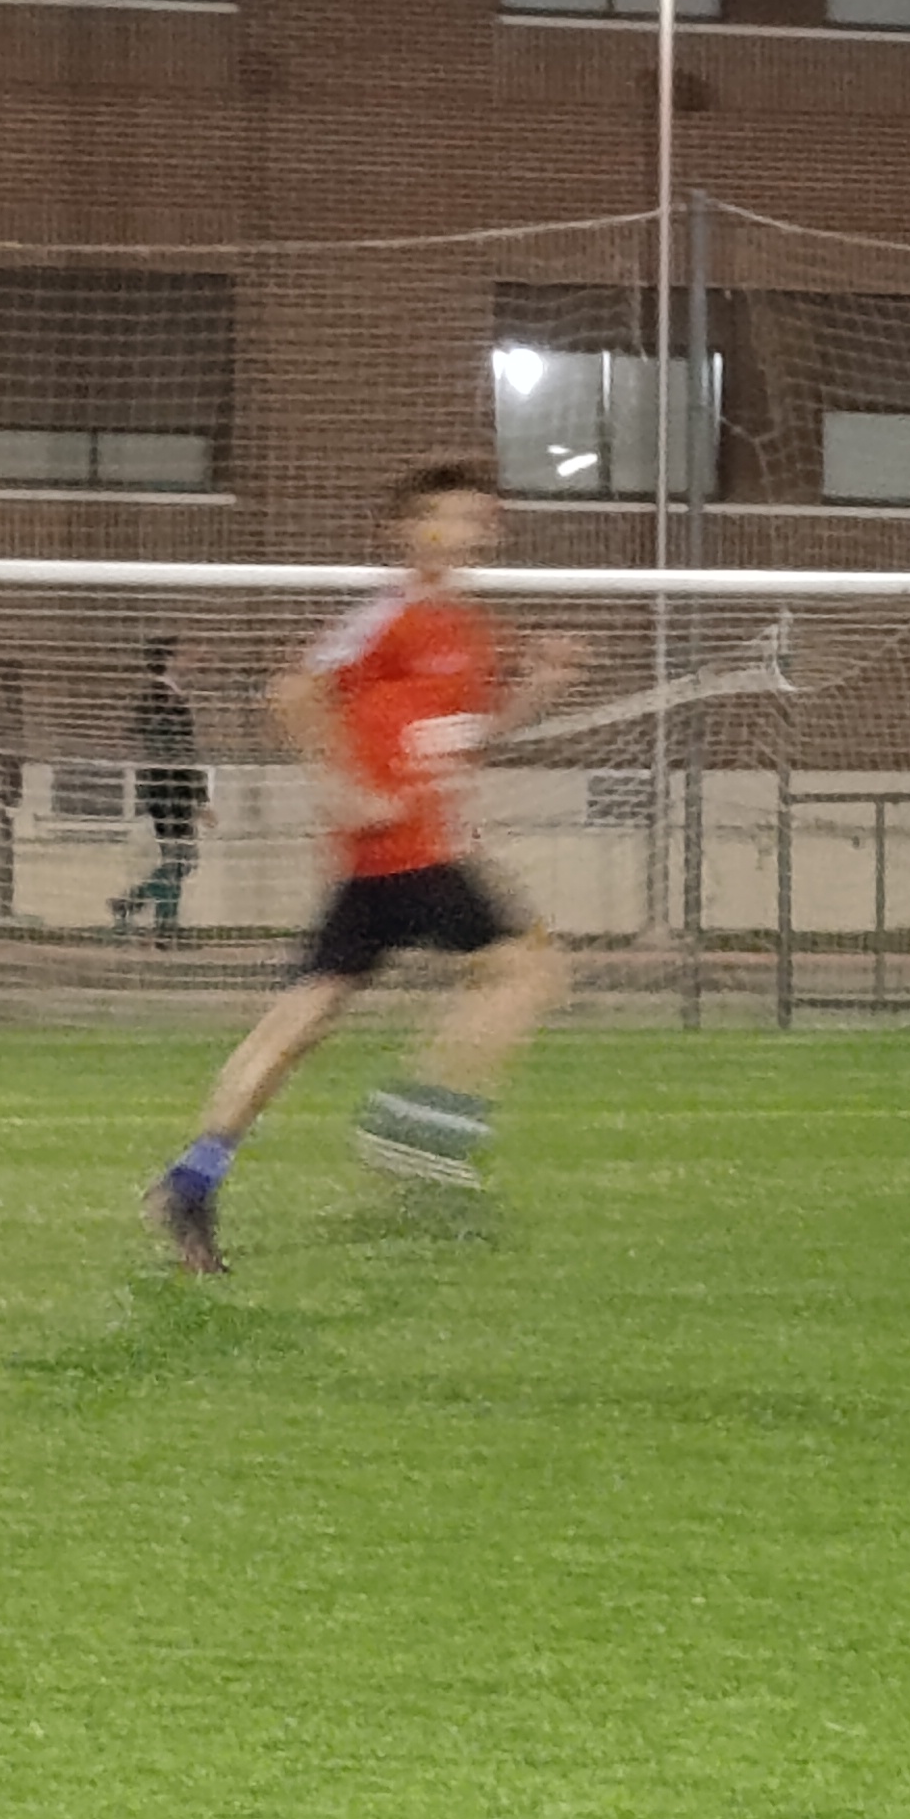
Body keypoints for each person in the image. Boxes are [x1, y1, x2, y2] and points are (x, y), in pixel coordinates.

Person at [145, 461, 584, 1274]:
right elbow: (292, 693)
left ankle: (194, 1178)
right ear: (410, 530)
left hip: (398, 856)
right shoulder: (390, 613)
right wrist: (347, 786)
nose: (472, 531)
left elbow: (471, 735)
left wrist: (539, 691)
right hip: (406, 850)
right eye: (453, 516)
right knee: (531, 971)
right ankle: (420, 1120)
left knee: (302, 1021)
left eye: (480, 518)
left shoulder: (469, 633)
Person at [106, 635, 209, 944]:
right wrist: (199, 796)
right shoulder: (159, 698)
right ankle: (157, 921)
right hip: (168, 789)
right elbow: (176, 750)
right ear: (169, 659)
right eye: (185, 654)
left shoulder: (167, 696)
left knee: (179, 859)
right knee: (180, 858)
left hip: (169, 787)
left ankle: (148, 914)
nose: (193, 660)